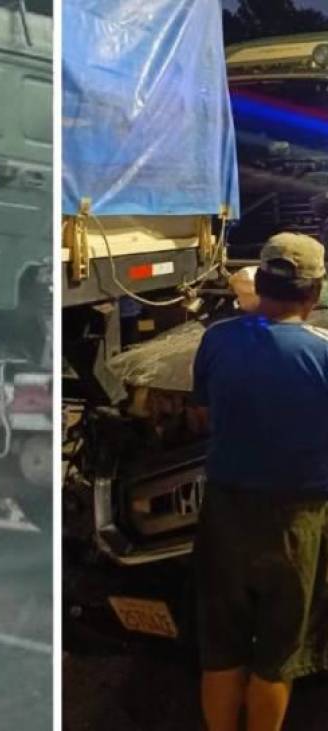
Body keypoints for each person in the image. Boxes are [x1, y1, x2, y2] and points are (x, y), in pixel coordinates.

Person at [192, 232, 328, 731]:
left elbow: (204, 409)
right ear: (314, 294)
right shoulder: (323, 353)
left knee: (222, 649)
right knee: (278, 656)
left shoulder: (218, 339)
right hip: (299, 522)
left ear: (262, 282)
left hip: (224, 513)